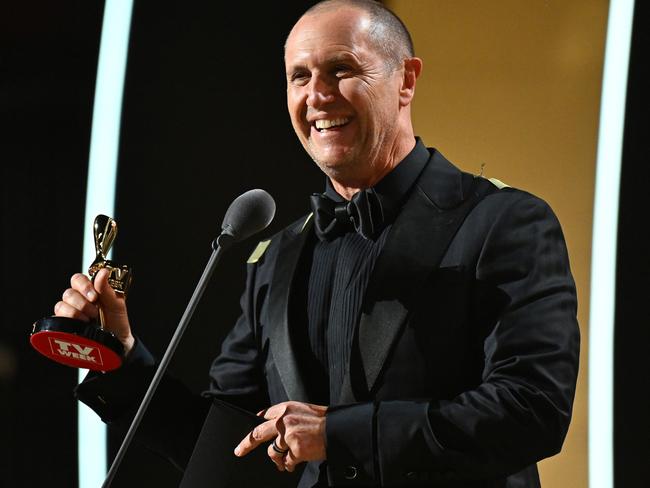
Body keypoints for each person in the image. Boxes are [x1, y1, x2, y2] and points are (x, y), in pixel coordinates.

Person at [55, 0, 579, 486]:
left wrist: (337, 434)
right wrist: (119, 362)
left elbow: (531, 410)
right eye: (299, 76)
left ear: (406, 79)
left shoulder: (504, 222)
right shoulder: (277, 258)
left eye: (341, 70)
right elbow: (225, 447)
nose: (317, 96)